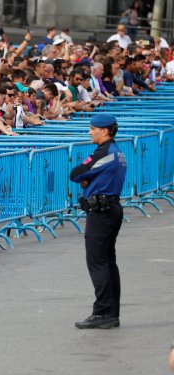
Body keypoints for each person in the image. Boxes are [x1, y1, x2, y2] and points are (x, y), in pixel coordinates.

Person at [70, 115, 126, 329]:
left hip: (101, 212)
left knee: (98, 262)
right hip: (110, 208)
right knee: (108, 262)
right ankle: (111, 312)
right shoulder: (117, 152)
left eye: (92, 128)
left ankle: (102, 313)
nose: (89, 132)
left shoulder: (104, 153)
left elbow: (76, 173)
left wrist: (86, 179)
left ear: (104, 131)